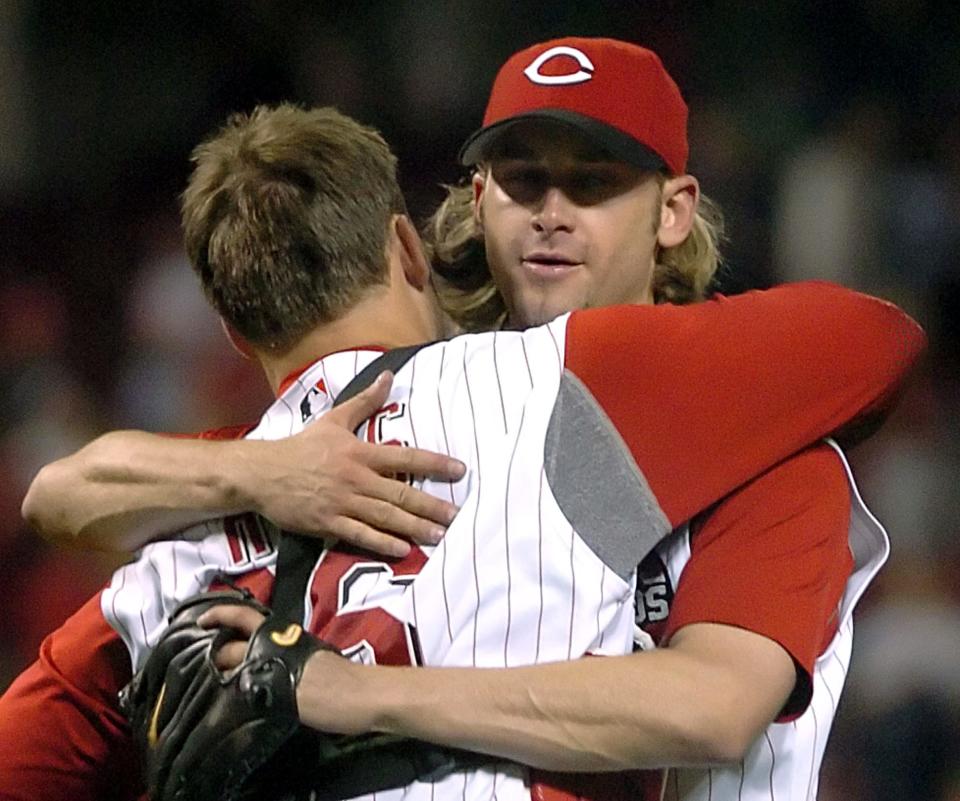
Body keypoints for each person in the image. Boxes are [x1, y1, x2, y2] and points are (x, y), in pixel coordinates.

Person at [11, 44, 922, 801]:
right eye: (524, 181)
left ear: (674, 210)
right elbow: (70, 502)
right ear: (473, 201)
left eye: (594, 183)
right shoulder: (351, 444)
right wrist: (255, 477)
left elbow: (714, 708)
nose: (553, 215)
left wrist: (350, 693)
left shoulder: (765, 439)